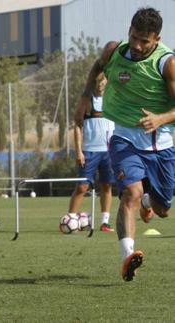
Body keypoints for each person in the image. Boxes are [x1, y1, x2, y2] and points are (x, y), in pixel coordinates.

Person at [77, 7, 175, 282]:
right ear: (128, 32)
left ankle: (149, 200)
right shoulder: (114, 51)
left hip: (162, 144)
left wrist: (161, 118)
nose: (137, 45)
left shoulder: (167, 63)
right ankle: (127, 256)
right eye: (133, 37)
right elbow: (98, 66)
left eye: (145, 40)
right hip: (123, 139)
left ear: (156, 39)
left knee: (163, 209)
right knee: (129, 193)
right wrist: (86, 95)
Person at [68, 74, 115, 232]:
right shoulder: (87, 101)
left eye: (102, 81)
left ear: (107, 82)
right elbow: (77, 126)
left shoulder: (113, 99)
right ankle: (71, 219)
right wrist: (79, 151)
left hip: (108, 151)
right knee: (82, 187)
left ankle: (105, 222)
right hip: (89, 151)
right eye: (97, 81)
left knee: (107, 186)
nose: (100, 84)